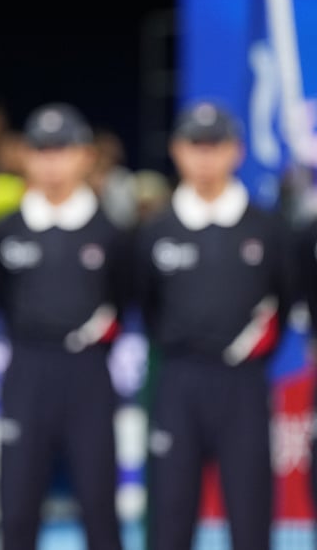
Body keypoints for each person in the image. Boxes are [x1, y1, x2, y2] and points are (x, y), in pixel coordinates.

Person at [137, 101, 283, 550]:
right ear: (176, 151)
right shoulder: (153, 230)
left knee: (251, 513)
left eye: (215, 145)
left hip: (243, 382)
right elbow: (146, 303)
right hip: (177, 379)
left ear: (236, 151)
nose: (205, 157)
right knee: (170, 514)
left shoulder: (268, 229)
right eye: (194, 145)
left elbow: (287, 295)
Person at [0, 103, 126, 550]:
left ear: (85, 155)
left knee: (99, 503)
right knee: (18, 505)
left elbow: (127, 298)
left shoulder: (113, 234)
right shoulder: (2, 233)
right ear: (26, 156)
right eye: (42, 150)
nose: (51, 162)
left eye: (62, 149)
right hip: (27, 368)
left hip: (88, 372)